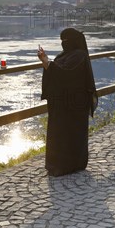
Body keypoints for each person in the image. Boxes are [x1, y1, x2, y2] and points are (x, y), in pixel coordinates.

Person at [37, 28, 98, 177]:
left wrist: (47, 63)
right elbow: (58, 70)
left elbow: (66, 74)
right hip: (62, 104)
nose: (63, 43)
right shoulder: (66, 55)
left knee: (71, 134)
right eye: (62, 40)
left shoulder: (80, 56)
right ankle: (59, 164)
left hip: (75, 105)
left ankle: (69, 165)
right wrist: (47, 63)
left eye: (66, 40)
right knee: (61, 134)